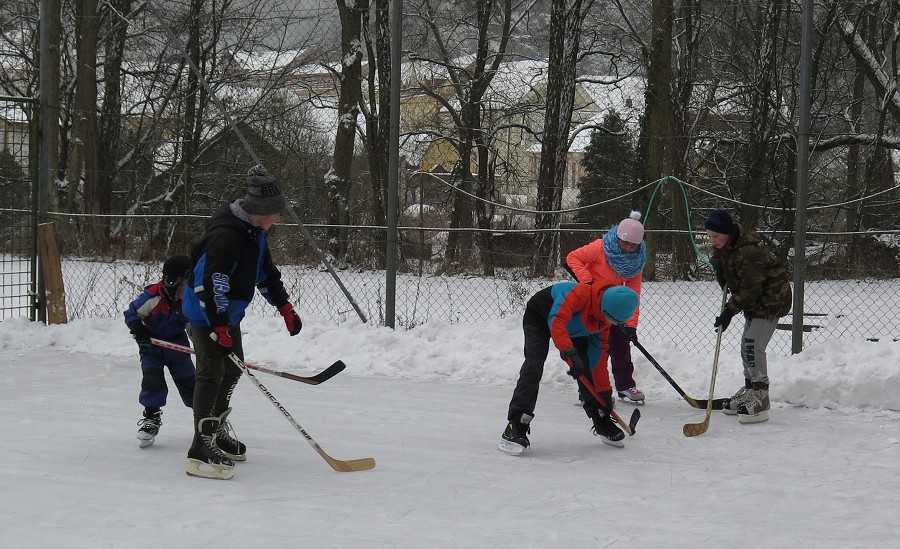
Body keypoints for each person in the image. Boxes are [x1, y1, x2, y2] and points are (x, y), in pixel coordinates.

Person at [181, 165, 303, 480]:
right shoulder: (226, 236)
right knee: (211, 374)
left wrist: (284, 305)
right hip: (206, 313)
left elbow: (264, 273)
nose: (277, 219)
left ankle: (216, 428)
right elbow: (210, 284)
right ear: (261, 211)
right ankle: (200, 446)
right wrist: (217, 325)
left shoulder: (254, 234)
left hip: (225, 316)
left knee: (233, 368)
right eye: (275, 213)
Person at [499, 281, 640, 455]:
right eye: (612, 319)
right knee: (534, 365)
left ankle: (600, 418)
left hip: (572, 329)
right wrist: (568, 351)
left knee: (586, 365)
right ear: (605, 309)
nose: (611, 324)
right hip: (541, 317)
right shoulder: (580, 294)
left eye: (616, 322)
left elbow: (599, 358)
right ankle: (515, 425)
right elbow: (556, 319)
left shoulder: (603, 322)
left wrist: (604, 395)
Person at [705, 209, 792, 424]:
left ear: (727, 233)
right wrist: (721, 271)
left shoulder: (748, 252)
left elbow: (750, 289)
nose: (712, 240)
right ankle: (751, 387)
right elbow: (736, 279)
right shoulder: (727, 249)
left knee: (753, 344)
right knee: (746, 344)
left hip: (770, 301)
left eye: (716, 236)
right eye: (709, 236)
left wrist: (728, 312)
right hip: (756, 302)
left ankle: (761, 396)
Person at [565, 210, 647, 403]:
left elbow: (632, 296)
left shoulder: (637, 263)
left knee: (620, 345)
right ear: (618, 236)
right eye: (625, 242)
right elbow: (572, 258)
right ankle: (588, 388)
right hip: (591, 305)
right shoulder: (601, 248)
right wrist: (587, 282)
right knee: (594, 349)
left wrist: (631, 325)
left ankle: (626, 385)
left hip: (614, 308)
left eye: (633, 245)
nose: (628, 248)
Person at [123, 254, 195, 448]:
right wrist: (139, 330)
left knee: (189, 381)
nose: (189, 288)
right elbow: (131, 313)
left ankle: (204, 416)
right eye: (185, 283)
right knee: (152, 380)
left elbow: (191, 322)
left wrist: (198, 338)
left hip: (177, 345)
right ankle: (151, 417)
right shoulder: (153, 297)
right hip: (152, 346)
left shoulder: (188, 300)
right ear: (173, 282)